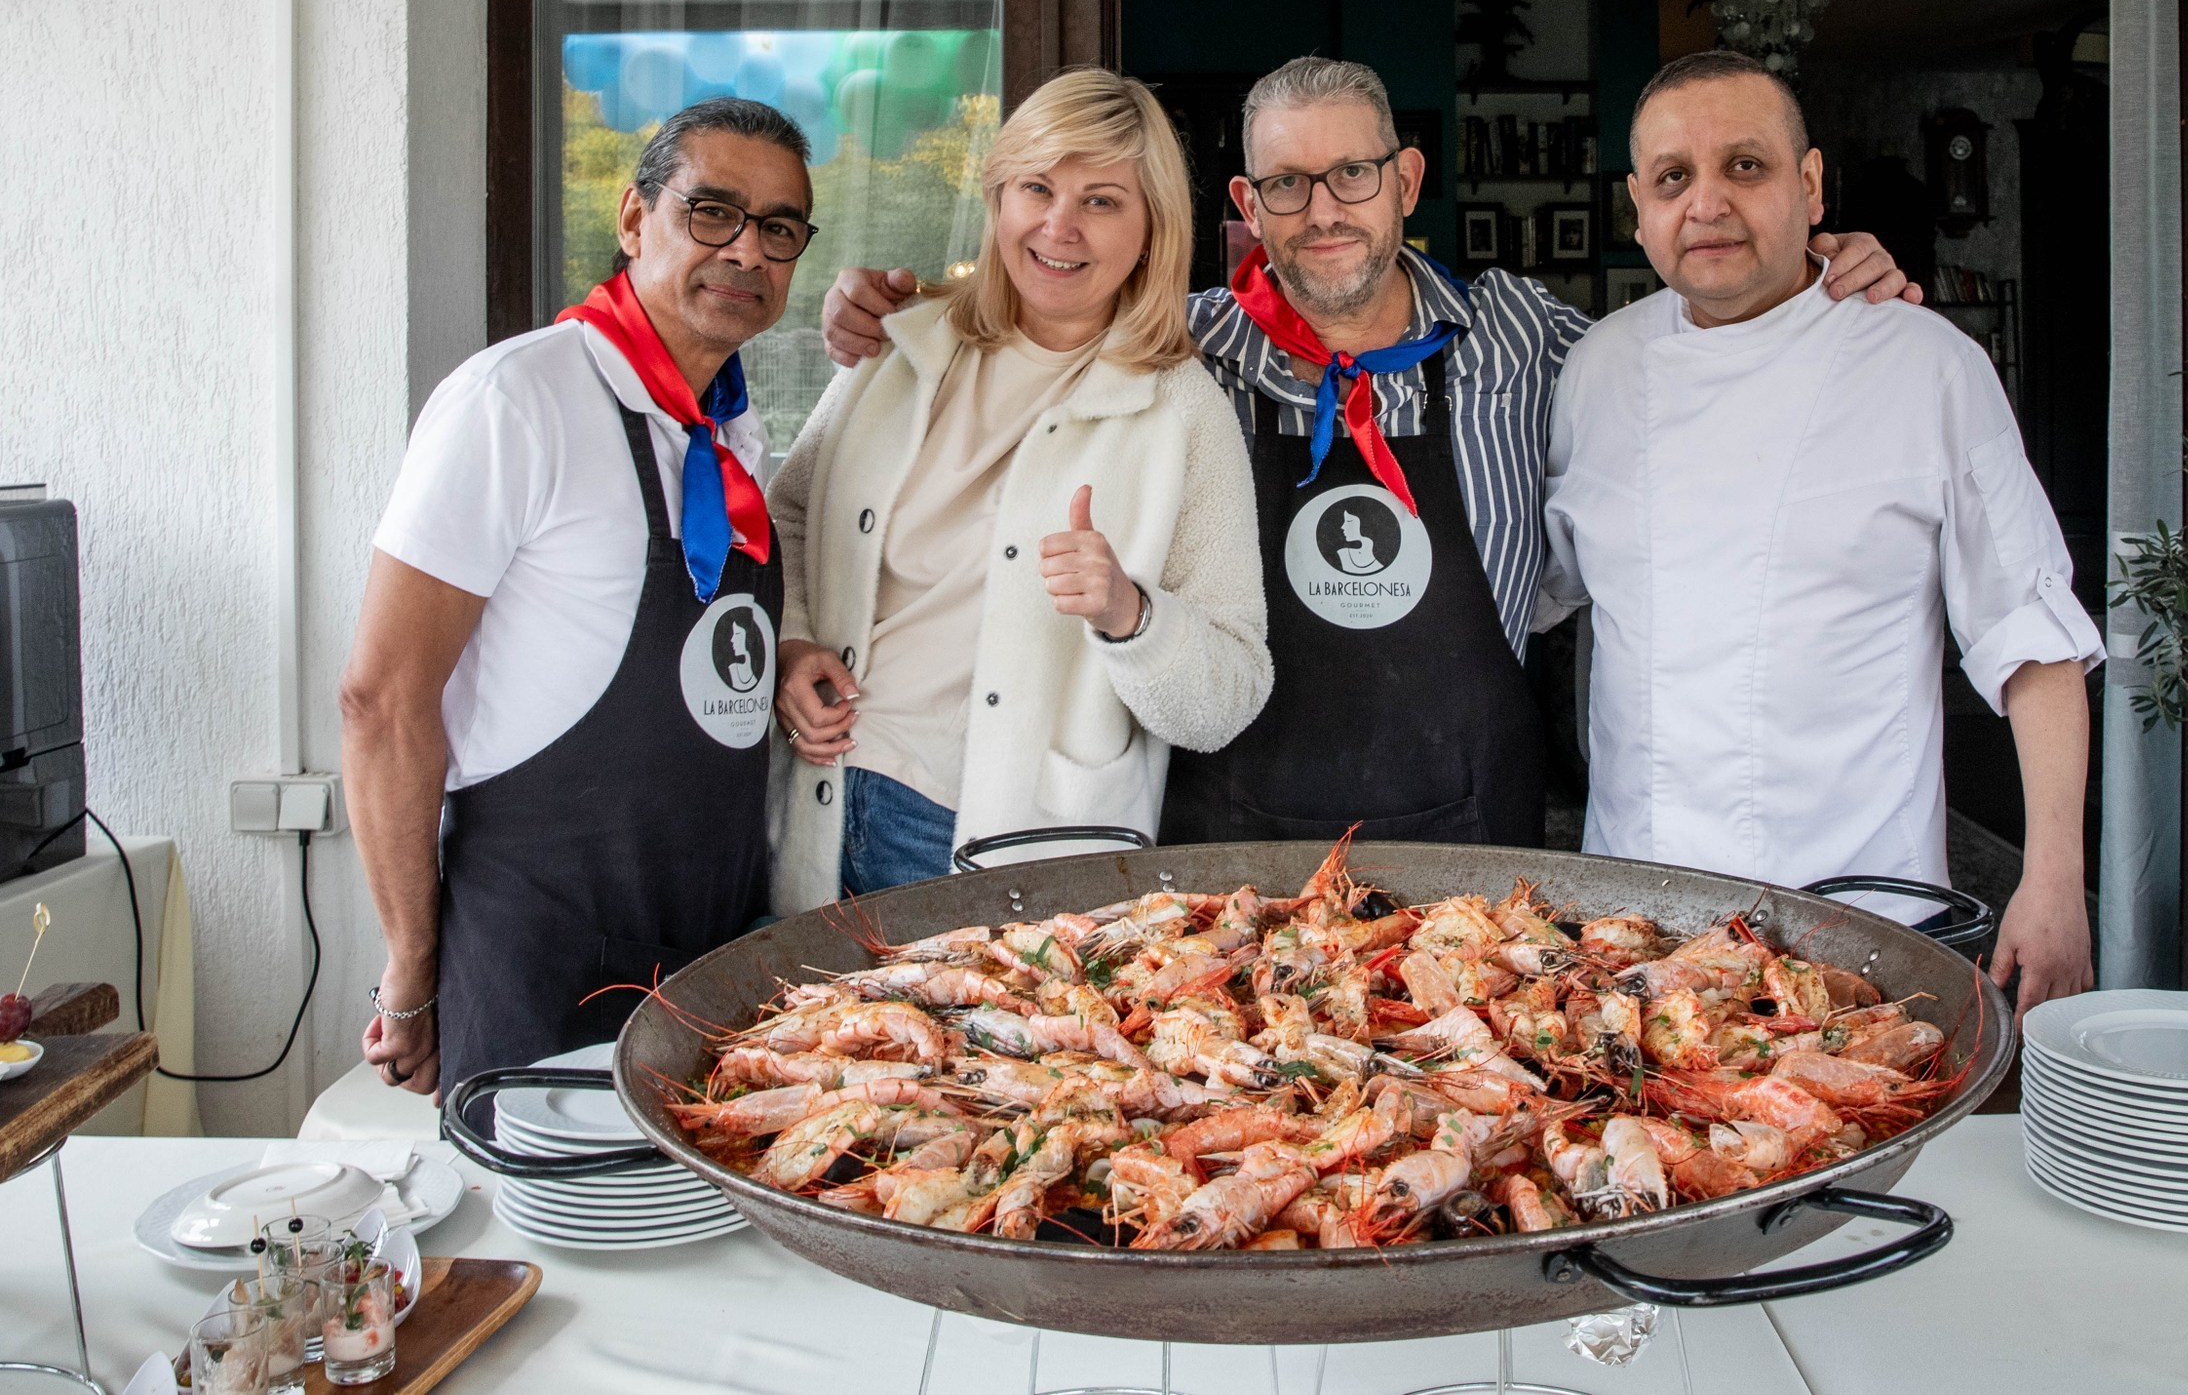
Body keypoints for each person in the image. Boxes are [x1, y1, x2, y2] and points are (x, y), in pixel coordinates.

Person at [825, 57, 1917, 850]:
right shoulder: (1174, 345)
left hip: (1471, 842)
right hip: (1228, 847)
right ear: (1248, 207)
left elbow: (1701, 370)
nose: (1323, 211)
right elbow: (1023, 320)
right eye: (1287, 186)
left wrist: (1814, 280)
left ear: (1405, 179)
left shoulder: (1519, 334)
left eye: (1352, 175)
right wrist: (889, 306)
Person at [1542, 51, 2102, 1010]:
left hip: (1864, 929)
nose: (1707, 202)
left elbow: (2033, 640)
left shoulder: (1927, 365)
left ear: (1809, 185)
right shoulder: (1595, 370)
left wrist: (2053, 880)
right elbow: (1539, 589)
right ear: (1638, 206)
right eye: (1674, 177)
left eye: (1745, 166)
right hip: (1635, 932)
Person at [342, 97, 815, 1098]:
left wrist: (783, 662)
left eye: (778, 229)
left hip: (717, 944)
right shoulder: (515, 401)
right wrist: (415, 967)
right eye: (712, 212)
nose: (746, 252)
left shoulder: (732, 434)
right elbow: (382, 700)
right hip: (544, 946)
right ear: (635, 218)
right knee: (547, 1242)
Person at [763, 69, 1270, 905]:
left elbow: (1229, 695)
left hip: (1000, 840)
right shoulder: (897, 347)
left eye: (1103, 200)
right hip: (821, 795)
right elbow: (785, 519)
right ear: (999, 197)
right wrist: (791, 641)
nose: (1058, 226)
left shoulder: (1181, 408)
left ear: (1153, 227)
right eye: (1036, 187)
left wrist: (1128, 614)